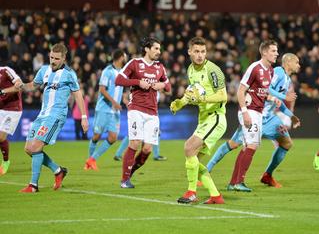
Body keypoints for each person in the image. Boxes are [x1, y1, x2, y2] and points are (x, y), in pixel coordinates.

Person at [207, 53, 301, 190]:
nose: (299, 65)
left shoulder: (287, 79)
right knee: (233, 144)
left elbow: (278, 101)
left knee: (286, 143)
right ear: (289, 62)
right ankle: (207, 170)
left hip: (270, 118)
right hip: (257, 113)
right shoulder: (278, 72)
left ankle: (267, 175)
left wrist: (291, 115)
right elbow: (266, 89)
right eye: (297, 62)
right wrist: (282, 96)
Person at [3, 43, 89, 193]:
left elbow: (78, 95)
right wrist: (20, 85)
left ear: (64, 58)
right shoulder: (44, 70)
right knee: (29, 149)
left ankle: (33, 185)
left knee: (36, 146)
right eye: (51, 57)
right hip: (42, 115)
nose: (53, 61)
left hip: (56, 115)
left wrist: (83, 116)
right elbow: (32, 86)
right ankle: (58, 171)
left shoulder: (69, 74)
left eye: (56, 58)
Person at [170, 36, 227, 205]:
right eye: (196, 51)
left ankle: (191, 192)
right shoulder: (190, 70)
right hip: (203, 120)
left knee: (188, 147)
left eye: (203, 51)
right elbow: (192, 94)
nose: (200, 55)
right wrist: (180, 103)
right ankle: (215, 195)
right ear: (189, 52)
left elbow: (223, 96)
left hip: (216, 117)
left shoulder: (213, 70)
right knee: (192, 159)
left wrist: (202, 99)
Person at [115, 37, 171, 188]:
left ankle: (129, 173)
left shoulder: (160, 67)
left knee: (147, 149)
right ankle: (124, 180)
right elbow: (119, 80)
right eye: (156, 48)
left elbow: (168, 86)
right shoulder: (134, 63)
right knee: (135, 142)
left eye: (159, 49)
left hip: (153, 112)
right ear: (147, 49)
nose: (159, 52)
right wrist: (137, 82)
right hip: (136, 109)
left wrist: (161, 85)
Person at [226, 40, 280, 192]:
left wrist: (272, 98)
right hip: (249, 111)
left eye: (277, 51)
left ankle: (233, 182)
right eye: (273, 51)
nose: (277, 53)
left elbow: (261, 93)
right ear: (264, 52)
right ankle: (239, 182)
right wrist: (245, 113)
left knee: (246, 147)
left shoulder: (271, 71)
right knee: (252, 145)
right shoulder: (254, 68)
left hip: (258, 111)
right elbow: (240, 91)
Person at [84, 49, 127, 171]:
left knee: (113, 138)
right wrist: (114, 102)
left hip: (115, 111)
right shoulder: (107, 71)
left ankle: (91, 159)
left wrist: (124, 100)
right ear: (120, 58)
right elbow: (102, 89)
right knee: (97, 136)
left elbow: (119, 90)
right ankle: (89, 161)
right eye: (124, 57)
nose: (125, 59)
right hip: (104, 109)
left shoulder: (123, 72)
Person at [0, 66, 23, 175]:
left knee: (1, 137)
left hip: (12, 109)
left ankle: (5, 161)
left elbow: (19, 85)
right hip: (1, 108)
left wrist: (2, 91)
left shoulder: (5, 71)